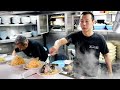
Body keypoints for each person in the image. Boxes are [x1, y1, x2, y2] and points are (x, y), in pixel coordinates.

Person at [49, 11, 112, 79]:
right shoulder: (75, 36)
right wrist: (55, 46)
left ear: (93, 22)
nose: (84, 24)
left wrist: (110, 73)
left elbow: (106, 55)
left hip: (93, 74)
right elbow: (60, 41)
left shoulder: (100, 38)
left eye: (87, 21)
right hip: (77, 73)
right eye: (81, 21)